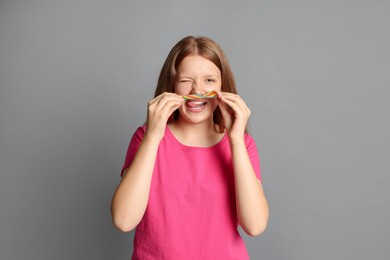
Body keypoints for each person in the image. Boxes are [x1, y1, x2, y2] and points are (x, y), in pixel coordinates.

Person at [111, 36, 269, 260]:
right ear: (172, 86)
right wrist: (153, 136)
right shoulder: (145, 139)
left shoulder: (242, 145)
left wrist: (235, 141)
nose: (197, 90)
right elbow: (123, 220)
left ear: (222, 87)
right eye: (186, 80)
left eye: (209, 80)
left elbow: (255, 225)